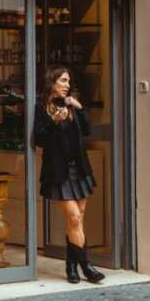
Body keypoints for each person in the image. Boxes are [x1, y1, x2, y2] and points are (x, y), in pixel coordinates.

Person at [32, 66, 105, 284]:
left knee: (77, 220)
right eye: (63, 80)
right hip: (58, 171)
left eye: (68, 81)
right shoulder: (40, 107)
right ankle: (86, 267)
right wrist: (54, 122)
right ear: (52, 82)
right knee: (74, 217)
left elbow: (87, 130)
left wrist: (79, 108)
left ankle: (71, 267)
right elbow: (39, 139)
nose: (67, 85)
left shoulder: (71, 105)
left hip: (78, 168)